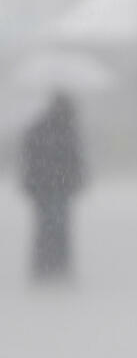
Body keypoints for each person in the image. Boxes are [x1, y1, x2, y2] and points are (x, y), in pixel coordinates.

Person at [21, 92, 85, 280]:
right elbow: (75, 160)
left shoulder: (39, 128)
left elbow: (29, 157)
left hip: (42, 187)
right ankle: (58, 264)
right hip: (59, 186)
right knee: (59, 225)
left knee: (44, 225)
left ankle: (44, 264)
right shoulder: (67, 130)